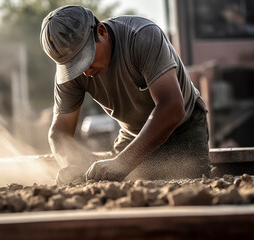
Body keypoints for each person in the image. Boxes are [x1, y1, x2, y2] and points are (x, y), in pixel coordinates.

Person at [40, 5, 210, 184]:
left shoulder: (142, 37)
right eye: (73, 67)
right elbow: (59, 133)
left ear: (101, 32)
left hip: (183, 128)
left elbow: (172, 107)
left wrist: (123, 162)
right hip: (133, 136)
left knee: (191, 194)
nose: (85, 72)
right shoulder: (70, 75)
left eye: (85, 59)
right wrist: (71, 163)